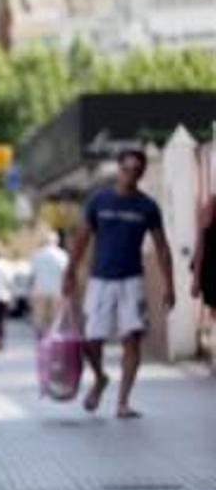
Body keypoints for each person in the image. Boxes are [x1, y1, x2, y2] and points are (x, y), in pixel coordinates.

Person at [63, 150, 174, 419]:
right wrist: (69, 272)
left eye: (136, 170)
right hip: (100, 279)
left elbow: (162, 247)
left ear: (142, 173)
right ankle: (100, 378)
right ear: (118, 169)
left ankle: (123, 402)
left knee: (131, 340)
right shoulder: (99, 200)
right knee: (90, 340)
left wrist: (170, 285)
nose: (130, 174)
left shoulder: (147, 206)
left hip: (132, 280)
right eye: (126, 168)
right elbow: (81, 239)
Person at [30, 231, 70, 334]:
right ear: (57, 241)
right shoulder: (62, 255)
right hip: (56, 290)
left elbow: (33, 274)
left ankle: (41, 339)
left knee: (40, 318)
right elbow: (66, 274)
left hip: (40, 290)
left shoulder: (37, 255)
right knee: (54, 319)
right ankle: (51, 338)